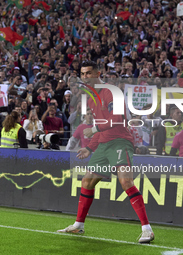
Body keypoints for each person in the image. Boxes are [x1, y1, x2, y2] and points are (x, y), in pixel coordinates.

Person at [57, 61, 154, 243]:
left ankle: (147, 229)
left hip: (120, 142)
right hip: (103, 144)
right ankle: (78, 225)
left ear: (98, 73)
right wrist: (89, 147)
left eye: (88, 73)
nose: (85, 77)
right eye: (83, 74)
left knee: (126, 182)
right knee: (87, 181)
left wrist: (93, 131)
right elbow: (100, 127)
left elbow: (117, 119)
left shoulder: (110, 92)